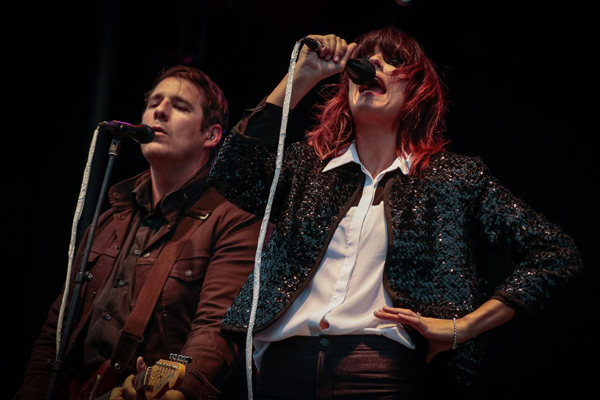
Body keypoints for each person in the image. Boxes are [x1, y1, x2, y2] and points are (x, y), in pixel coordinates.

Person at [208, 28, 584, 399]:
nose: (373, 62)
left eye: (393, 61)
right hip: (283, 370)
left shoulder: (454, 178)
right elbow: (230, 173)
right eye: (367, 57)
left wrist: (465, 327)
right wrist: (300, 78)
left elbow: (555, 253)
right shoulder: (307, 168)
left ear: (417, 92)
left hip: (382, 373)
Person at [15, 66, 262, 400]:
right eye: (154, 103)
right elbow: (54, 333)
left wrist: (176, 389)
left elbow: (216, 331)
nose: (160, 111)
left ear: (211, 135)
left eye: (180, 106)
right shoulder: (108, 221)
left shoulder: (234, 219)